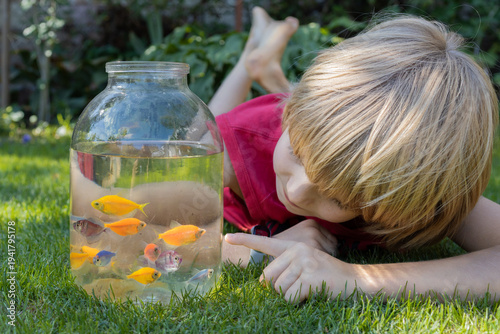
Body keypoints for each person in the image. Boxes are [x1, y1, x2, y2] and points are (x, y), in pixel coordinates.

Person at [210, 7, 500, 303]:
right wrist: (254, 249)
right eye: (296, 155)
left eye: (337, 198)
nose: (296, 191)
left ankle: (263, 66)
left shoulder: (405, 182)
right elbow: (161, 227)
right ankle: (250, 65)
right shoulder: (246, 149)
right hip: (261, 133)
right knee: (204, 134)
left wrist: (356, 278)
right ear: (292, 117)